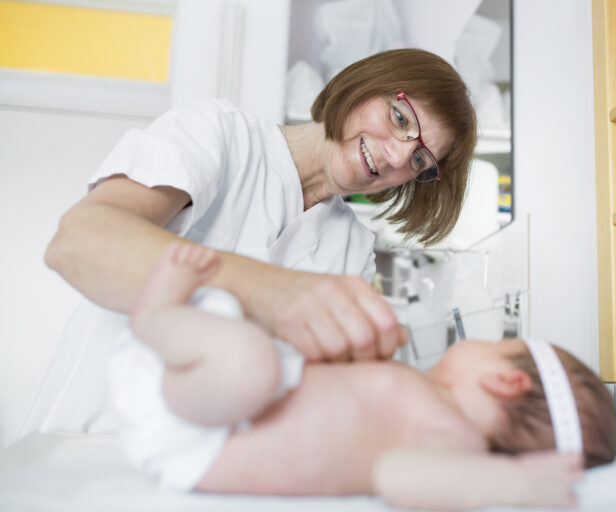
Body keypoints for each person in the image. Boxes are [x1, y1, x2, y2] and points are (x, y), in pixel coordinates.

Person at [110, 242, 616, 510]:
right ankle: (167, 324)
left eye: (496, 344)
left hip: (207, 434)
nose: (476, 342)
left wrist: (513, 483)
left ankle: (154, 315)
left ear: (507, 382)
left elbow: (398, 480)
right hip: (213, 399)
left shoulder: (454, 440)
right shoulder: (424, 399)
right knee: (253, 358)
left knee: (251, 364)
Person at [44, 48, 478, 364]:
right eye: (401, 119)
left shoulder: (352, 252)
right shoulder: (219, 135)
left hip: (220, 473)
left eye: (421, 161)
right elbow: (79, 242)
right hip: (92, 442)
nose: (401, 157)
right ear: (364, 85)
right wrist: (269, 291)